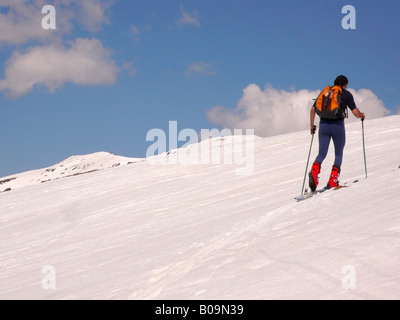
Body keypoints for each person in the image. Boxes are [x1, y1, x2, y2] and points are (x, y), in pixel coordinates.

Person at [309, 75, 365, 191]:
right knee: (338, 153)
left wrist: (312, 125)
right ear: (345, 84)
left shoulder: (326, 92)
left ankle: (314, 171)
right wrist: (361, 116)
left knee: (322, 153)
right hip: (337, 126)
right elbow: (355, 112)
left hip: (323, 125)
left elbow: (313, 109)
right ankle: (333, 180)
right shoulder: (346, 94)